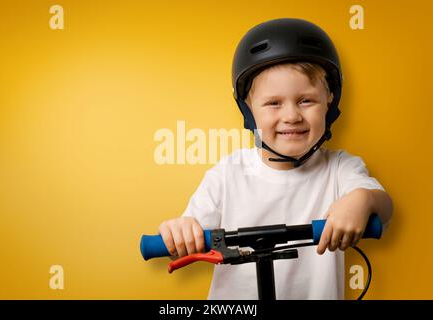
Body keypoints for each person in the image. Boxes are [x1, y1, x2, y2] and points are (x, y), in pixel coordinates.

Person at [158, 18, 393, 299]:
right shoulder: (227, 174)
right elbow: (191, 229)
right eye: (273, 103)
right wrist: (182, 229)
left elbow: (384, 207)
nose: (292, 116)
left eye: (306, 100)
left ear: (329, 101)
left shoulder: (340, 169)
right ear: (248, 110)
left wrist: (362, 200)